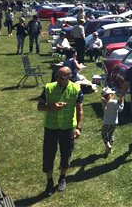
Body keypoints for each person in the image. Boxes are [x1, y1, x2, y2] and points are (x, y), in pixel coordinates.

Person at [37, 66, 83, 196]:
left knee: (66, 154)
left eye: (61, 77)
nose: (57, 79)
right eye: (56, 76)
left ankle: (62, 178)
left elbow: (79, 110)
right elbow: (39, 107)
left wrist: (78, 128)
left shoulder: (76, 89)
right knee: (48, 155)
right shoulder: (49, 87)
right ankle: (49, 181)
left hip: (67, 127)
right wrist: (52, 107)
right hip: (51, 127)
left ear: (69, 77)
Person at [101, 87, 124, 155]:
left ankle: (107, 145)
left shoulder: (104, 102)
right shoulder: (115, 102)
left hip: (106, 122)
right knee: (111, 134)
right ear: (111, 95)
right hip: (114, 122)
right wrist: (122, 102)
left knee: (104, 134)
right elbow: (120, 109)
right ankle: (110, 147)